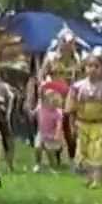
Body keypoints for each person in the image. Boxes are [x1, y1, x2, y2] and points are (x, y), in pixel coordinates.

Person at [67, 53, 102, 188]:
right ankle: (92, 176)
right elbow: (71, 109)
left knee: (98, 152)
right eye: (89, 66)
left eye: (96, 66)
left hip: (100, 124)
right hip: (82, 123)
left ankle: (97, 180)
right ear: (84, 68)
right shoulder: (77, 87)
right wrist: (72, 126)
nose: (93, 69)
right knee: (83, 153)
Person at [41, 29, 83, 157]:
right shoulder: (51, 57)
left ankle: (72, 155)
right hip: (53, 96)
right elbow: (42, 75)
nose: (68, 45)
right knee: (54, 124)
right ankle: (55, 155)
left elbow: (80, 78)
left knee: (69, 126)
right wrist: (46, 89)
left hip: (70, 95)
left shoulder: (76, 59)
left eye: (71, 43)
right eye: (65, 42)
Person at [33, 79, 68, 172]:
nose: (51, 100)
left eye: (53, 98)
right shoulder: (40, 107)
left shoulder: (57, 112)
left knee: (50, 152)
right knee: (37, 147)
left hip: (51, 134)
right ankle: (38, 164)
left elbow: (59, 124)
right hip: (41, 133)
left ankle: (53, 167)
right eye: (48, 98)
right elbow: (34, 114)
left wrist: (57, 133)